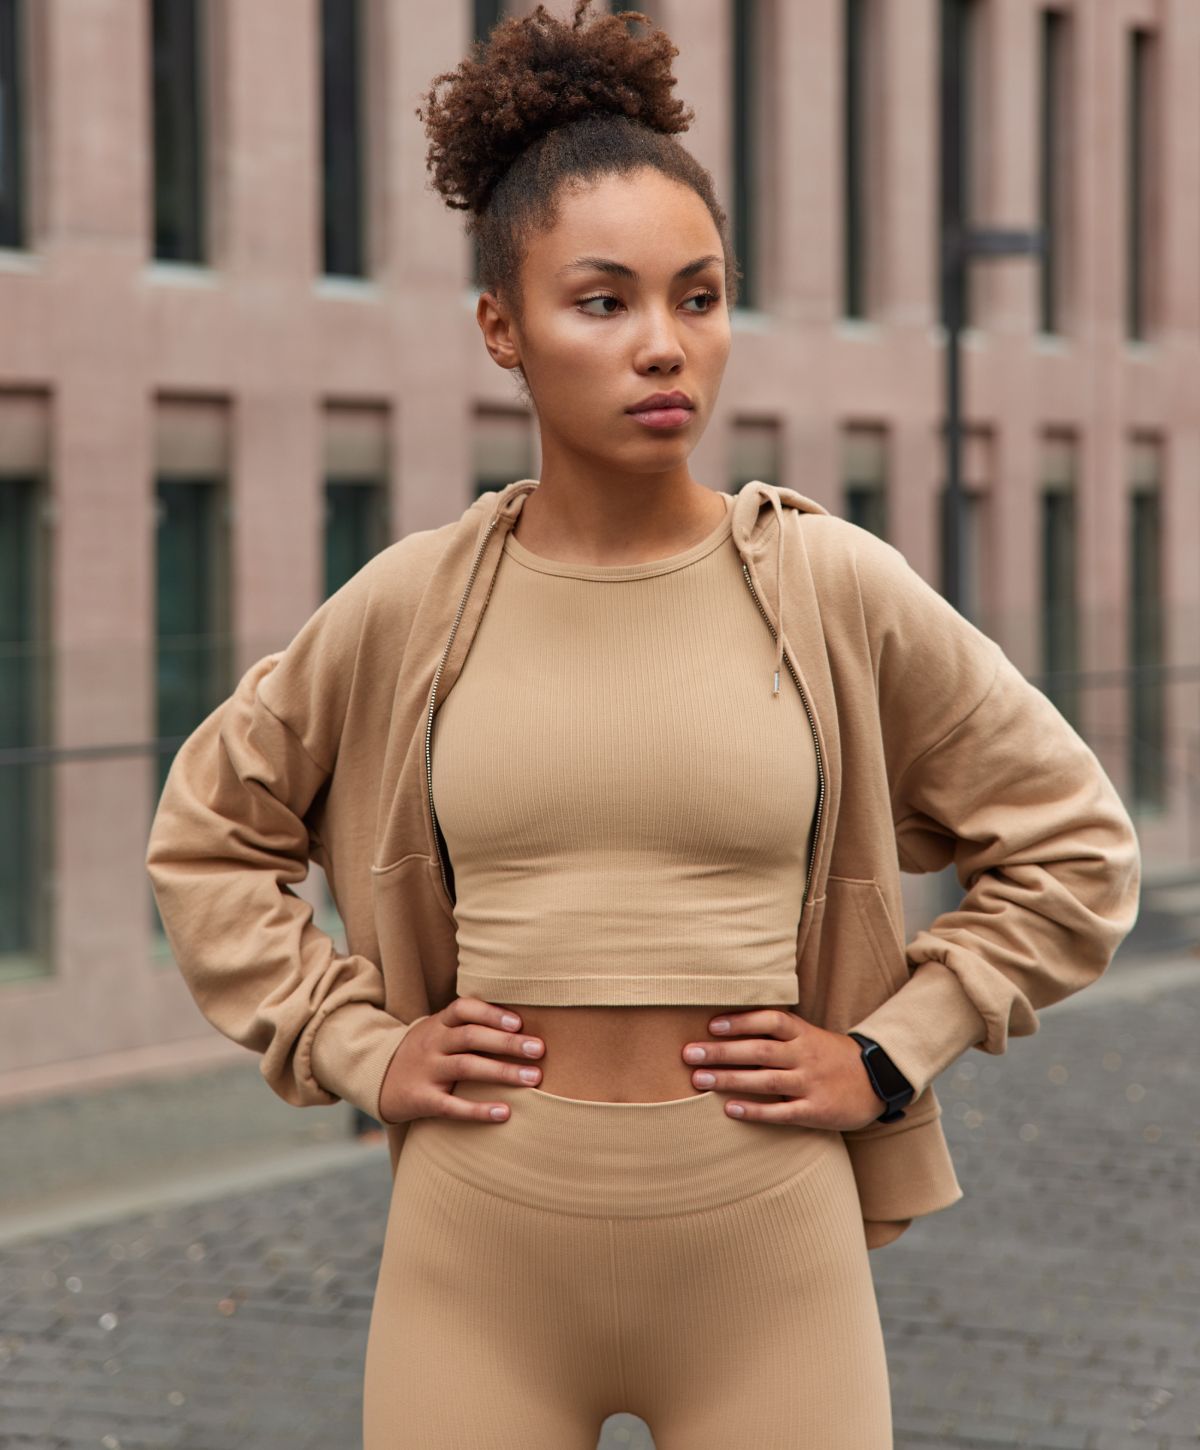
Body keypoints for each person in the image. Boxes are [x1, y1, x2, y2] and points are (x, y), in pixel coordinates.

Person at [144, 4, 1142, 1446]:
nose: (665, 346)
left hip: (767, 1249)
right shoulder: (413, 604)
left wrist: (886, 1046)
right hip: (477, 1249)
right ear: (504, 326)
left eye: (700, 295)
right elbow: (205, 835)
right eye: (603, 301)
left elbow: (1079, 850)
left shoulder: (831, 586)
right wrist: (359, 1046)